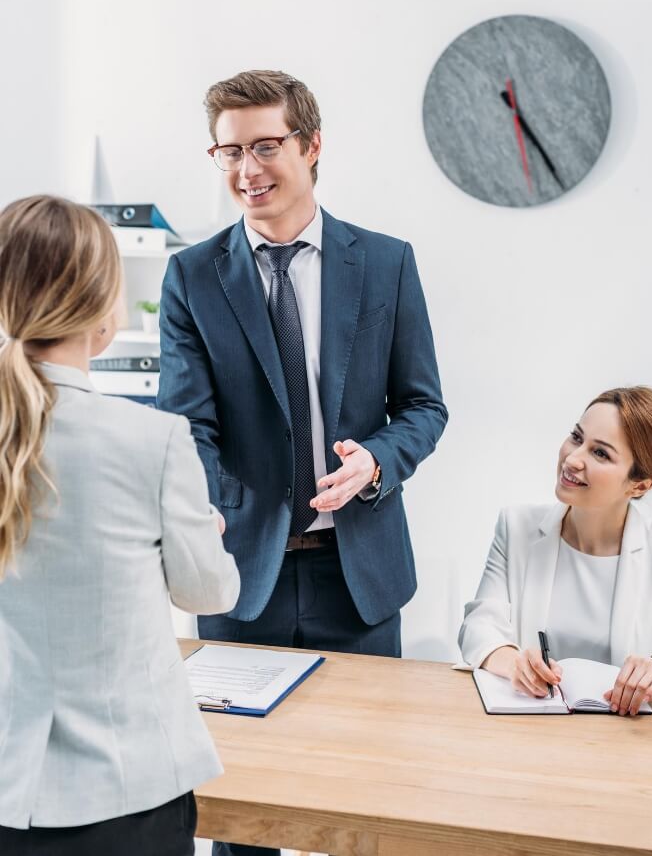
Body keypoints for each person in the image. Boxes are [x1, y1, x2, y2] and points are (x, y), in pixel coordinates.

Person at [158, 69, 448, 856]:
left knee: (361, 810)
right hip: (237, 580)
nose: (246, 170)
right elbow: (186, 424)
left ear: (311, 146)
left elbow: (423, 407)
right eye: (227, 152)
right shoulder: (190, 275)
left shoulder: (385, 263)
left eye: (264, 147)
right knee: (239, 816)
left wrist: (377, 463)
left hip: (356, 579)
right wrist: (209, 501)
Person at [0, 195, 240, 855]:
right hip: (127, 793)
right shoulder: (153, 439)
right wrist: (198, 533)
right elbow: (210, 595)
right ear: (104, 309)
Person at [459, 386, 652, 715]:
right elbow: (479, 626)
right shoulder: (516, 527)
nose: (573, 459)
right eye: (577, 437)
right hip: (529, 734)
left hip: (626, 748)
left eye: (600, 454)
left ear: (640, 485)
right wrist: (512, 661)